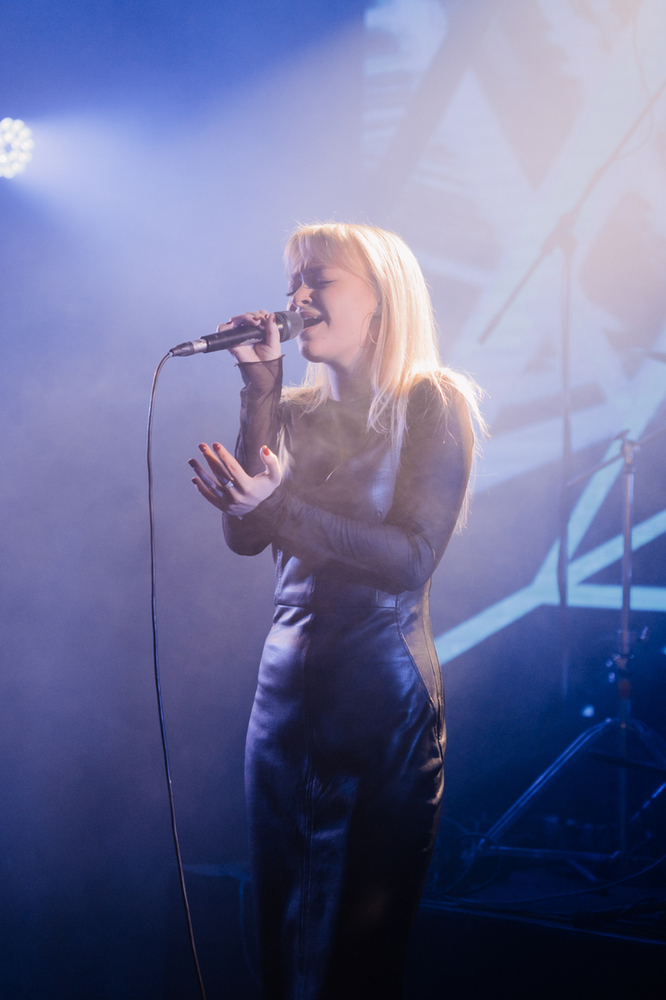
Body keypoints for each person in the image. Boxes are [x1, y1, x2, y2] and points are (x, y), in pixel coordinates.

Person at [189, 223, 483, 1000]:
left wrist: (281, 506)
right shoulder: (293, 411)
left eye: (319, 280)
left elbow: (411, 557)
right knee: (282, 943)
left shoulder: (432, 402)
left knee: (351, 956)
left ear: (381, 300)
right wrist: (258, 391)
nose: (298, 297)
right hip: (282, 703)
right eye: (294, 281)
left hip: (378, 706)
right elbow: (246, 536)